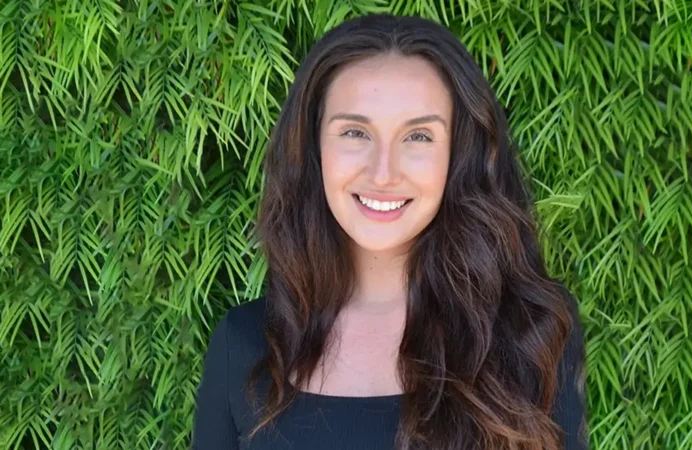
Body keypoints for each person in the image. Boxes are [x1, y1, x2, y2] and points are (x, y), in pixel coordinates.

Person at [192, 13, 588, 450]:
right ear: (312, 147)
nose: (383, 173)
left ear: (458, 155)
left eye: (418, 137)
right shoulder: (244, 345)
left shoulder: (530, 332)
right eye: (356, 132)